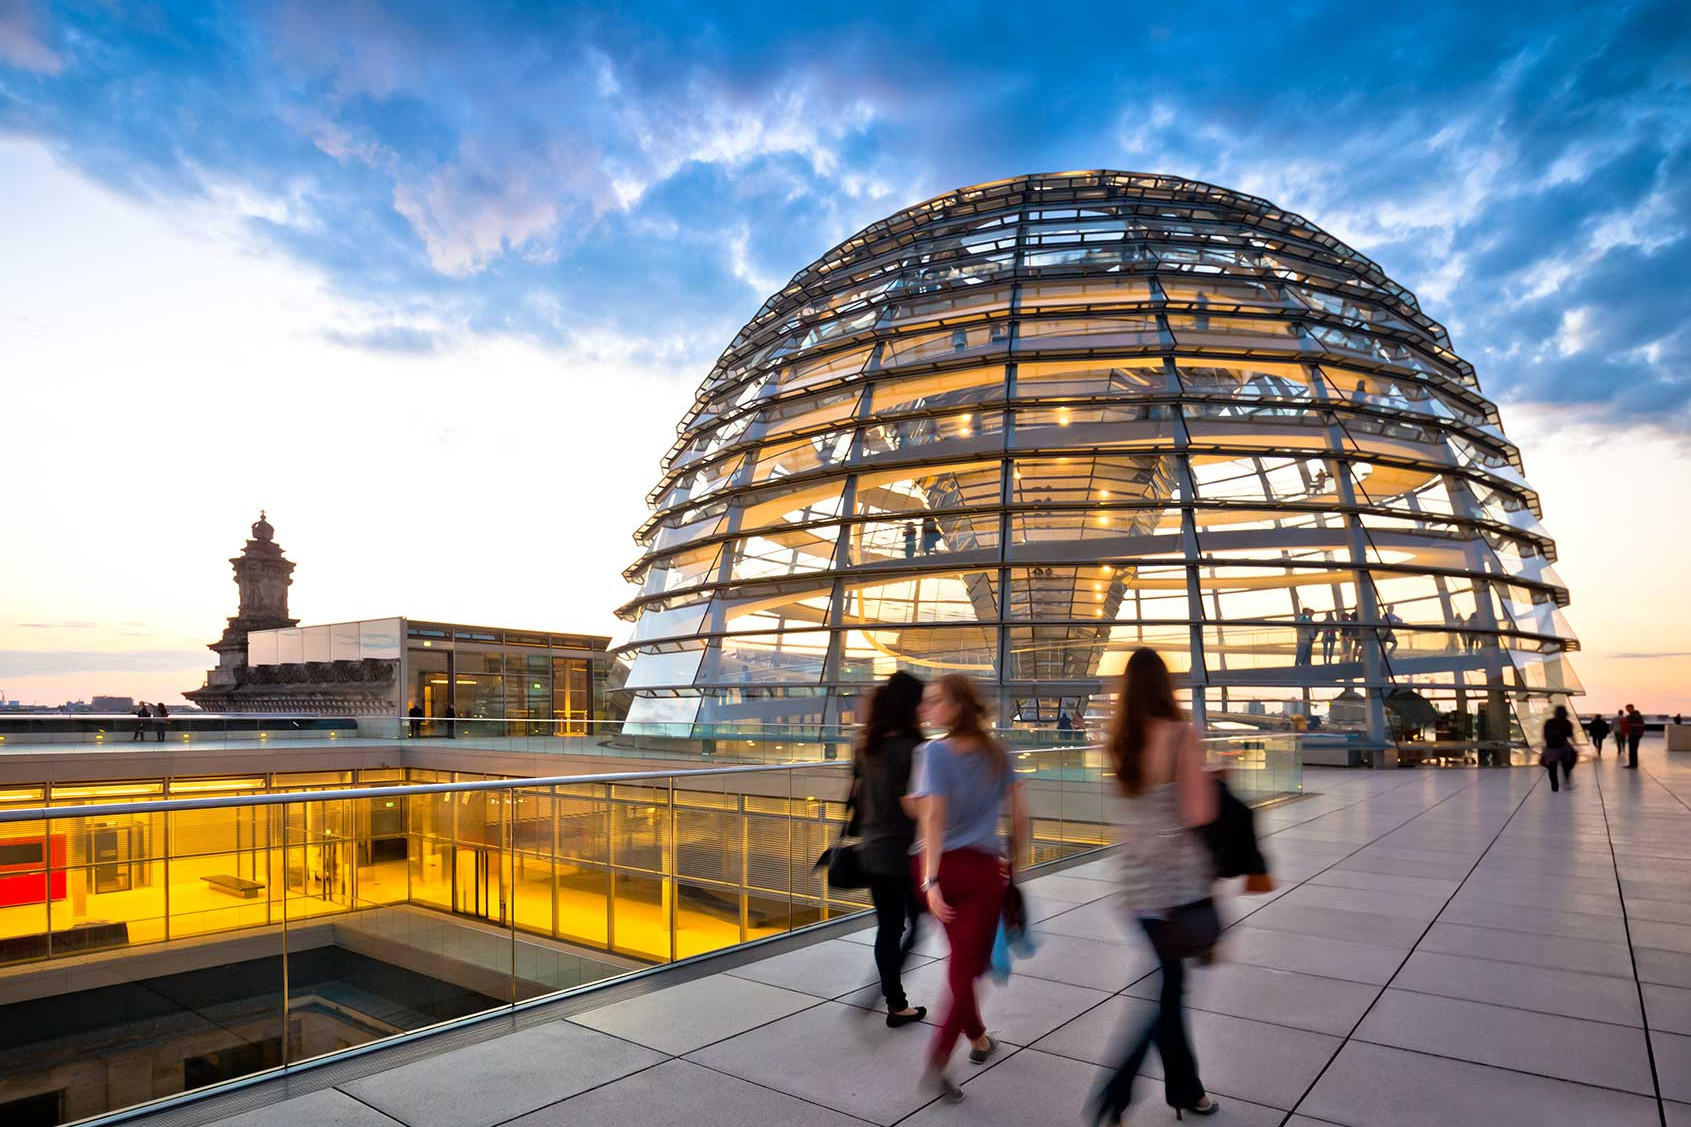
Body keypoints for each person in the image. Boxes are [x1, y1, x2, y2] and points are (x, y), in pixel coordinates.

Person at [1091, 648, 1220, 1124]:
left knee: (1170, 985)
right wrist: (1211, 777)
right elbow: (1199, 813)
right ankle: (1118, 1088)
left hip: (1133, 884)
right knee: (1168, 992)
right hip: (1174, 886)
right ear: (1166, 685)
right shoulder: (1180, 735)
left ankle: (1187, 1090)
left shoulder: (1119, 740)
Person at [914, 673, 1028, 1102]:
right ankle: (938, 1060)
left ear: (959, 706)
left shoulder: (934, 752)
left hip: (935, 868)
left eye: (936, 701)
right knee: (966, 969)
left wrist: (930, 881)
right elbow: (1020, 819)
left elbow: (933, 819)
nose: (927, 708)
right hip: (980, 874)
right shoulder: (999, 754)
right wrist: (1012, 864)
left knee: (961, 963)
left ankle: (978, 1036)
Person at [852, 671, 928, 1029]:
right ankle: (892, 997)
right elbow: (912, 804)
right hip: (904, 854)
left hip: (872, 849)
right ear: (910, 706)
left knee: (889, 927)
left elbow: (855, 794)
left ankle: (893, 1000)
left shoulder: (867, 744)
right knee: (917, 923)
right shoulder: (912, 748)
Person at [1541, 705, 1576, 792]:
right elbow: (1570, 735)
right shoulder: (1567, 722)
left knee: (1552, 767)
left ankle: (1554, 786)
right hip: (1562, 747)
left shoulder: (1549, 722)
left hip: (1551, 748)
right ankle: (1566, 779)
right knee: (1566, 763)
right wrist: (1575, 742)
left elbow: (1545, 735)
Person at [1624, 704, 1643, 768]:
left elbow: (1641, 725)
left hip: (1634, 734)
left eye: (1628, 708)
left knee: (1633, 750)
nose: (1627, 710)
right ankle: (1632, 764)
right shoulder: (1632, 716)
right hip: (1634, 734)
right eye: (1626, 708)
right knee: (1633, 750)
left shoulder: (1635, 716)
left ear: (1632, 708)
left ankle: (1633, 765)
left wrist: (1629, 725)